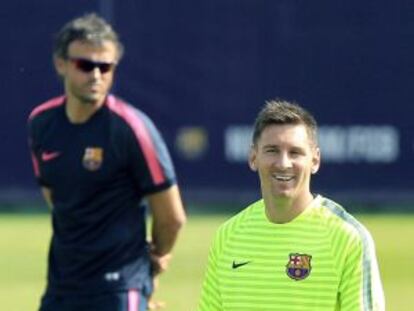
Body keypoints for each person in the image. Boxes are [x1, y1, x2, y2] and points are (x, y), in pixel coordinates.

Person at [27, 13, 186, 311]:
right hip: (61, 288)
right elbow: (56, 199)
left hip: (118, 288)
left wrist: (148, 269)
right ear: (61, 64)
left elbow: (172, 217)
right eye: (85, 65)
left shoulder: (132, 129)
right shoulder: (41, 123)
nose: (96, 75)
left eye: (105, 66)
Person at [197, 100, 385, 310]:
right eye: (272, 150)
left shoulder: (348, 238)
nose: (284, 163)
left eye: (295, 152)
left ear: (315, 161)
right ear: (253, 157)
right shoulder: (227, 236)